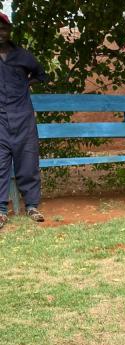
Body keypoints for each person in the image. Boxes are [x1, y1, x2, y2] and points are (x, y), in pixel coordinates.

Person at [0, 12, 47, 230]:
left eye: (4, 28)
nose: (1, 32)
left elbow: (41, 74)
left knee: (28, 162)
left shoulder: (23, 56)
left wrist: (28, 84)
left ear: (9, 31)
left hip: (23, 118)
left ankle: (32, 206)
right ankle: (1, 211)